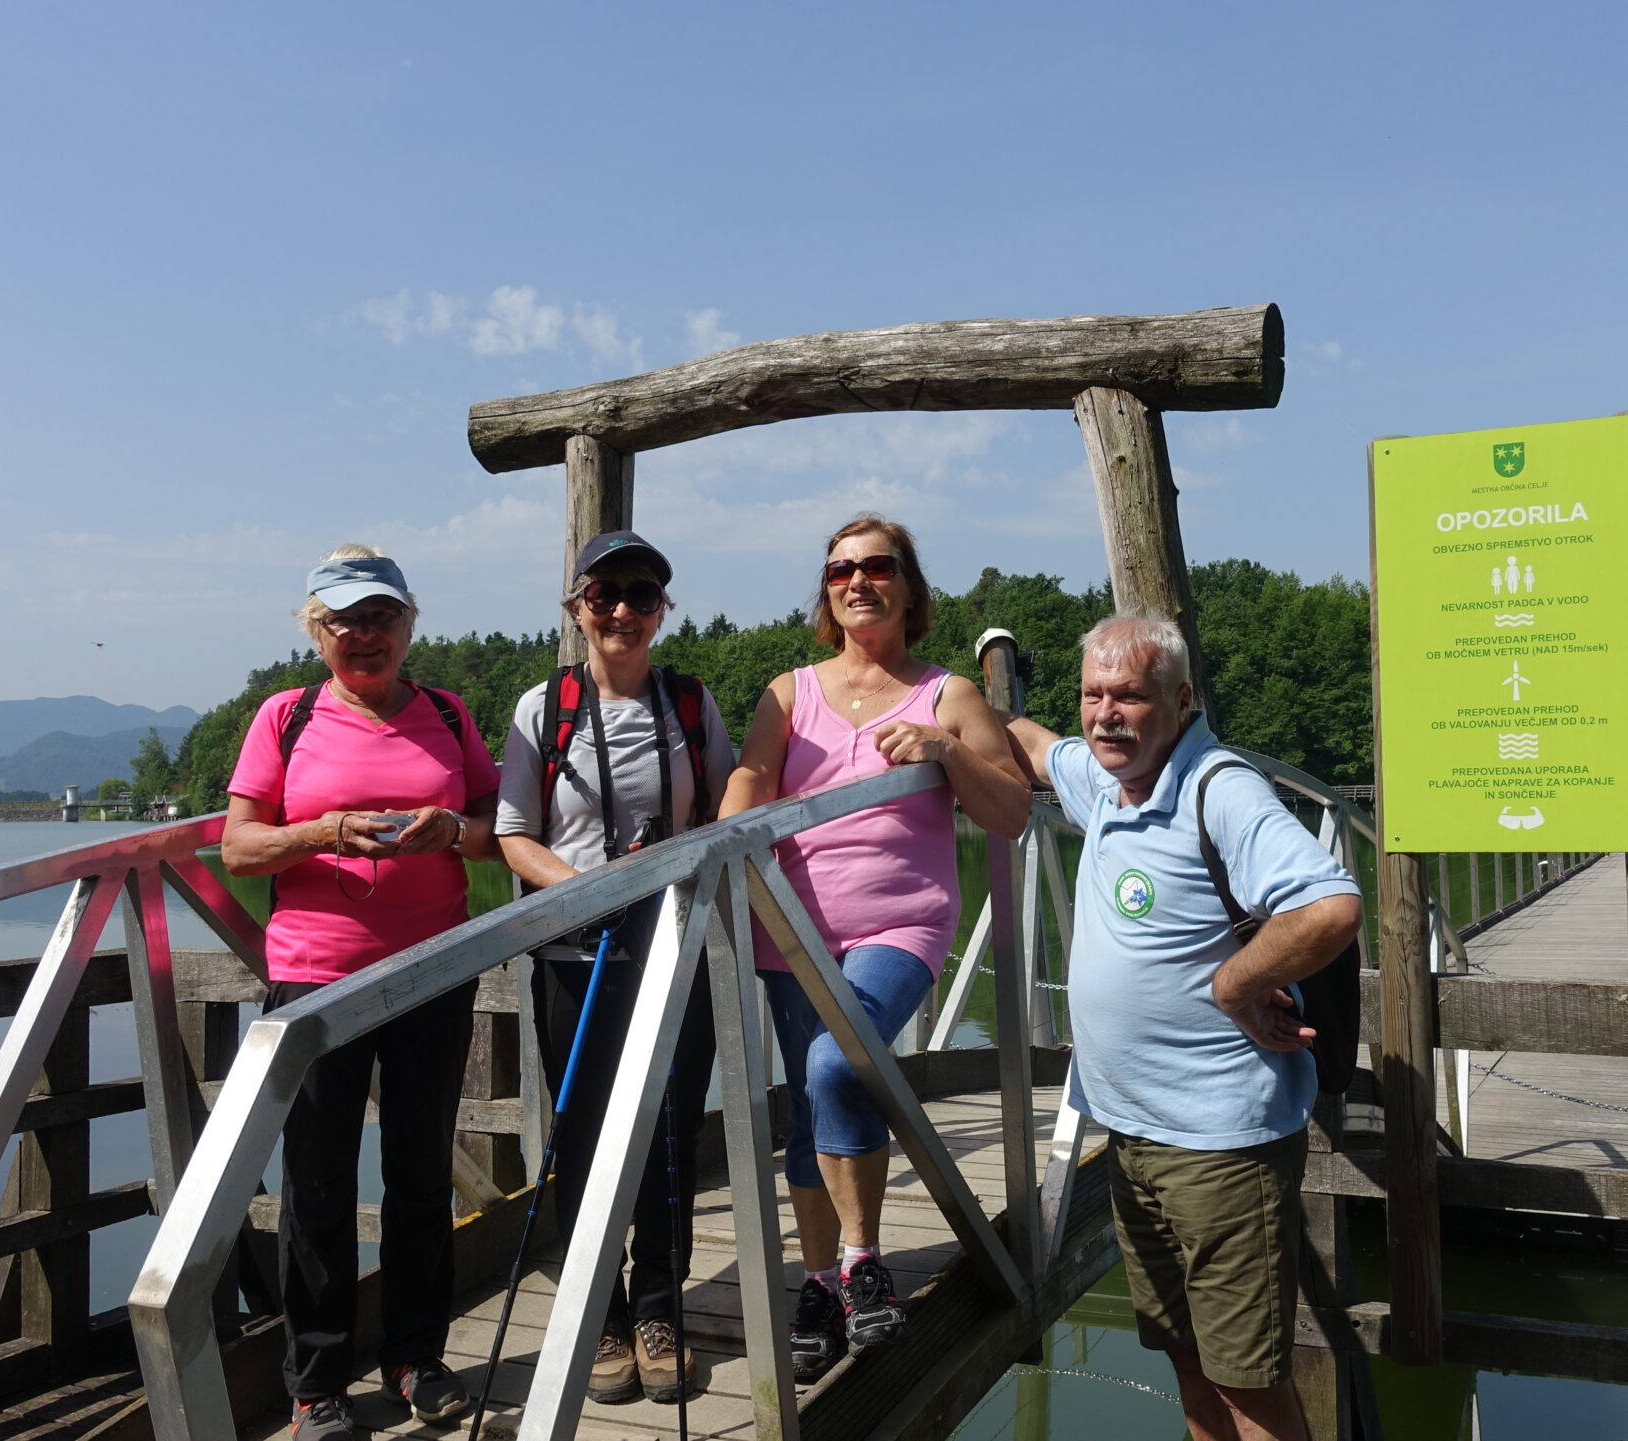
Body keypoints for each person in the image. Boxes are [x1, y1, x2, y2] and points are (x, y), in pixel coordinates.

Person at [1003, 614, 1363, 1441]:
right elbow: (1029, 742)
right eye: (1092, 695)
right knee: (1188, 1364)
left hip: (1219, 1146)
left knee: (1249, 1385)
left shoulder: (1219, 787)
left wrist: (1237, 983)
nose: (1106, 715)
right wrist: (943, 716)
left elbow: (1332, 906)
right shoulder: (1107, 780)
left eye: (1129, 695)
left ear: (1181, 698)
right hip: (1132, 1136)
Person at [719, 514, 1029, 1382]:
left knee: (835, 1064)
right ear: (827, 592)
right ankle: (820, 1285)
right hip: (788, 926)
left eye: (877, 566)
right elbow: (752, 775)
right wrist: (725, 830)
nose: (858, 580)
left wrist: (944, 749)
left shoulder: (948, 693)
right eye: (840, 570)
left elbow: (1010, 808)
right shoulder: (788, 693)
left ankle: (862, 1263)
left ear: (909, 586)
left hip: (900, 925)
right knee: (811, 1101)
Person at [221, 545, 503, 1441]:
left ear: (409, 623)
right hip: (315, 976)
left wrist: (450, 829)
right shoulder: (286, 716)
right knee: (316, 1183)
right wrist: (323, 831)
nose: (364, 634)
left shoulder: (449, 714)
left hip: (432, 972)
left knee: (420, 1173)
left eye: (381, 616)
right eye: (343, 620)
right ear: (317, 632)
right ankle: (317, 1385)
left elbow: (500, 829)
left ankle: (417, 1357)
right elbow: (238, 848)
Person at [494, 530, 737, 1407]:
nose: (623, 610)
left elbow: (727, 812)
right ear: (577, 609)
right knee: (583, 1134)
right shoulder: (543, 708)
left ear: (663, 611)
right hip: (576, 957)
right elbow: (512, 833)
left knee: (671, 1134)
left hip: (670, 953)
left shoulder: (690, 704)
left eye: (642, 594)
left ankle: (660, 1307)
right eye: (605, 595)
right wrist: (586, 891)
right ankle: (599, 1310)